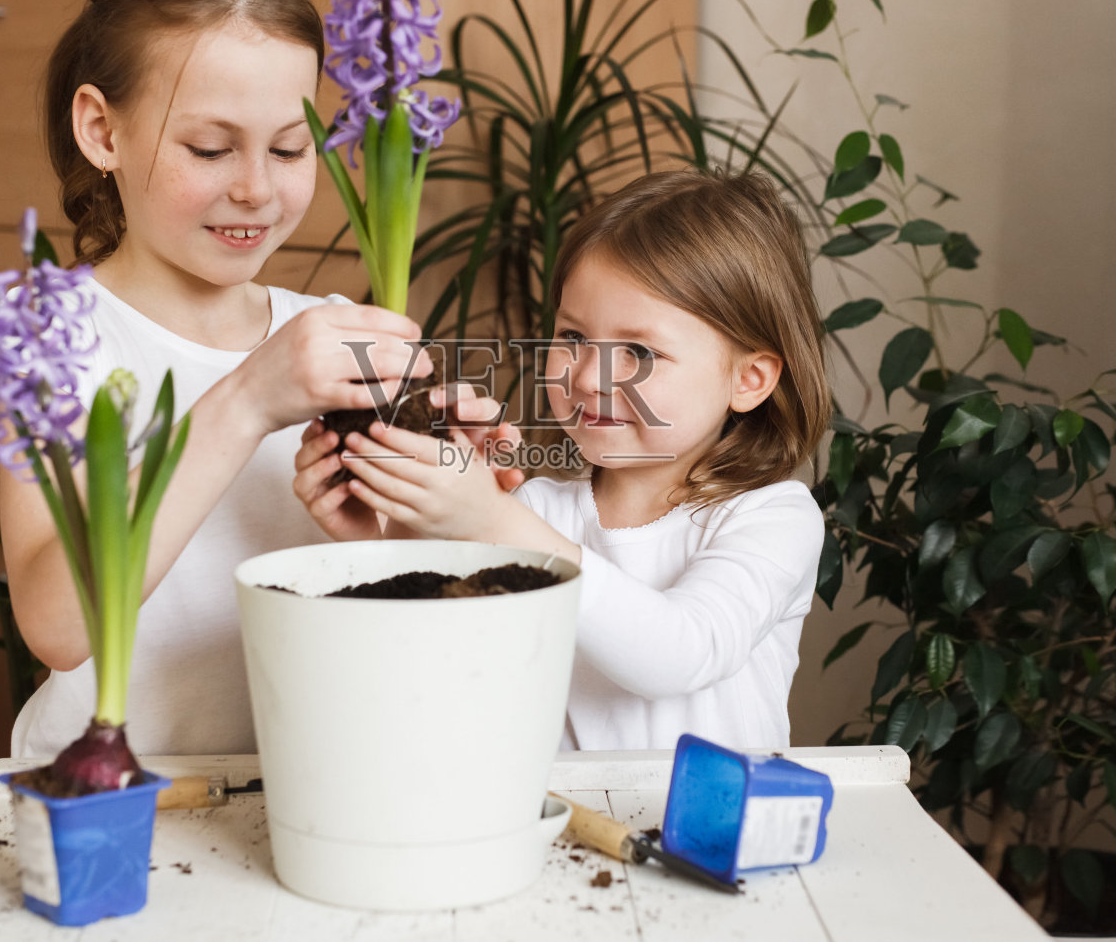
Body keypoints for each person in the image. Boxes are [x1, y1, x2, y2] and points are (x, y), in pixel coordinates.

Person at [0, 0, 511, 759]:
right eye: (210, 149)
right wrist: (248, 400)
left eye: (289, 147)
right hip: (120, 806)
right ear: (102, 131)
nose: (256, 186)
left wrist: (452, 504)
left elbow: (419, 618)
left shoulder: (328, 331)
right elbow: (60, 625)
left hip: (305, 792)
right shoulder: (46, 333)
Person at [295, 167, 832, 751]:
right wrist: (391, 530)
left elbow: (681, 653)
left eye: (637, 351)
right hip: (558, 830)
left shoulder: (773, 516)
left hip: (719, 837)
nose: (587, 376)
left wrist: (491, 521)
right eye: (573, 337)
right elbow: (431, 670)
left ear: (748, 380)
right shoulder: (537, 510)